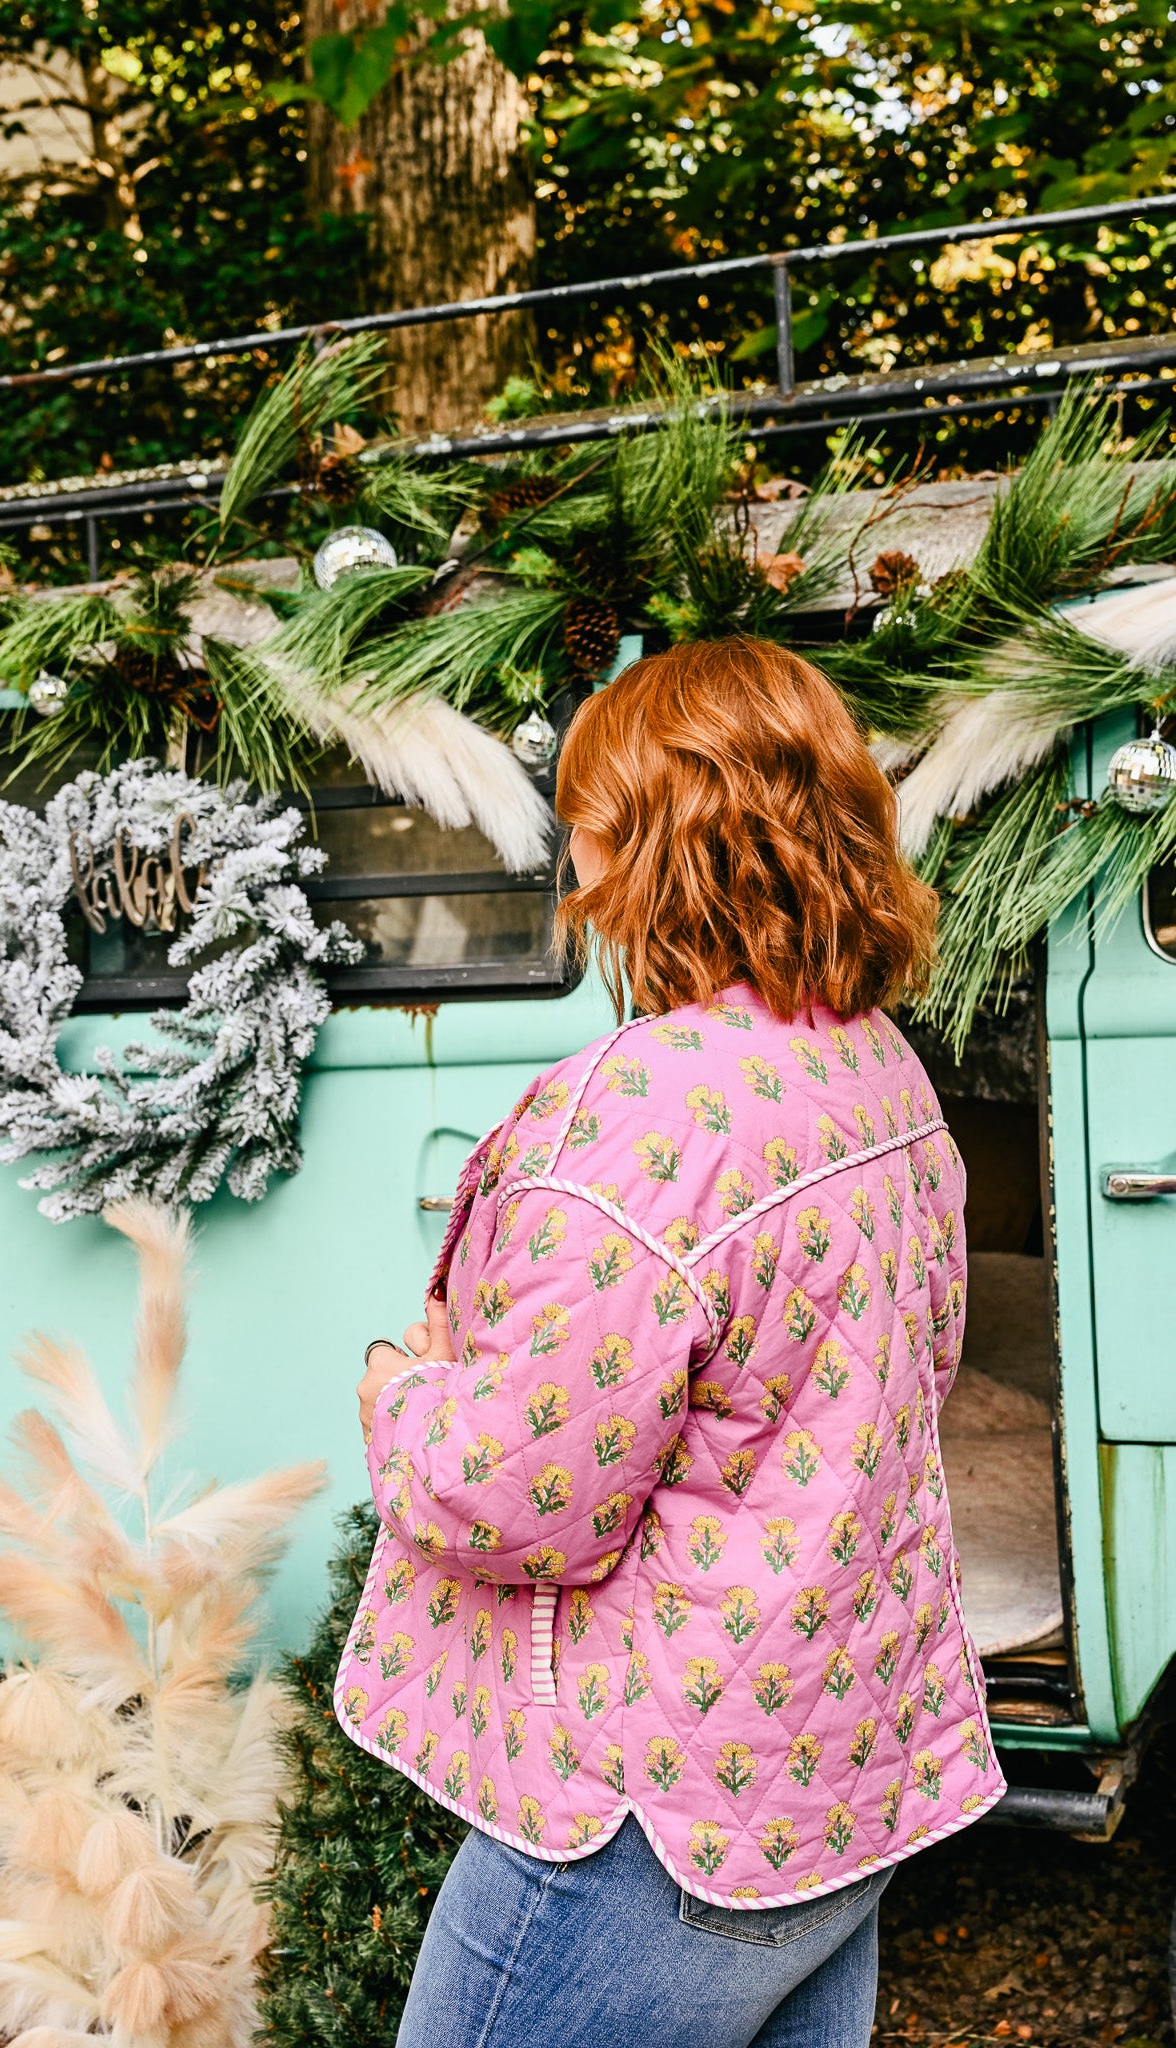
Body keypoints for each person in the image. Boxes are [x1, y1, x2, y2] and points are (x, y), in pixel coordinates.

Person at [337, 638, 1005, 2048]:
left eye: (586, 809)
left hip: (646, 1813)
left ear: (652, 837)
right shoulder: (873, 1062)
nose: (565, 846)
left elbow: (514, 1493)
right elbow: (910, 1373)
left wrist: (398, 1396)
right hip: (838, 1768)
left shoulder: (641, 1114)